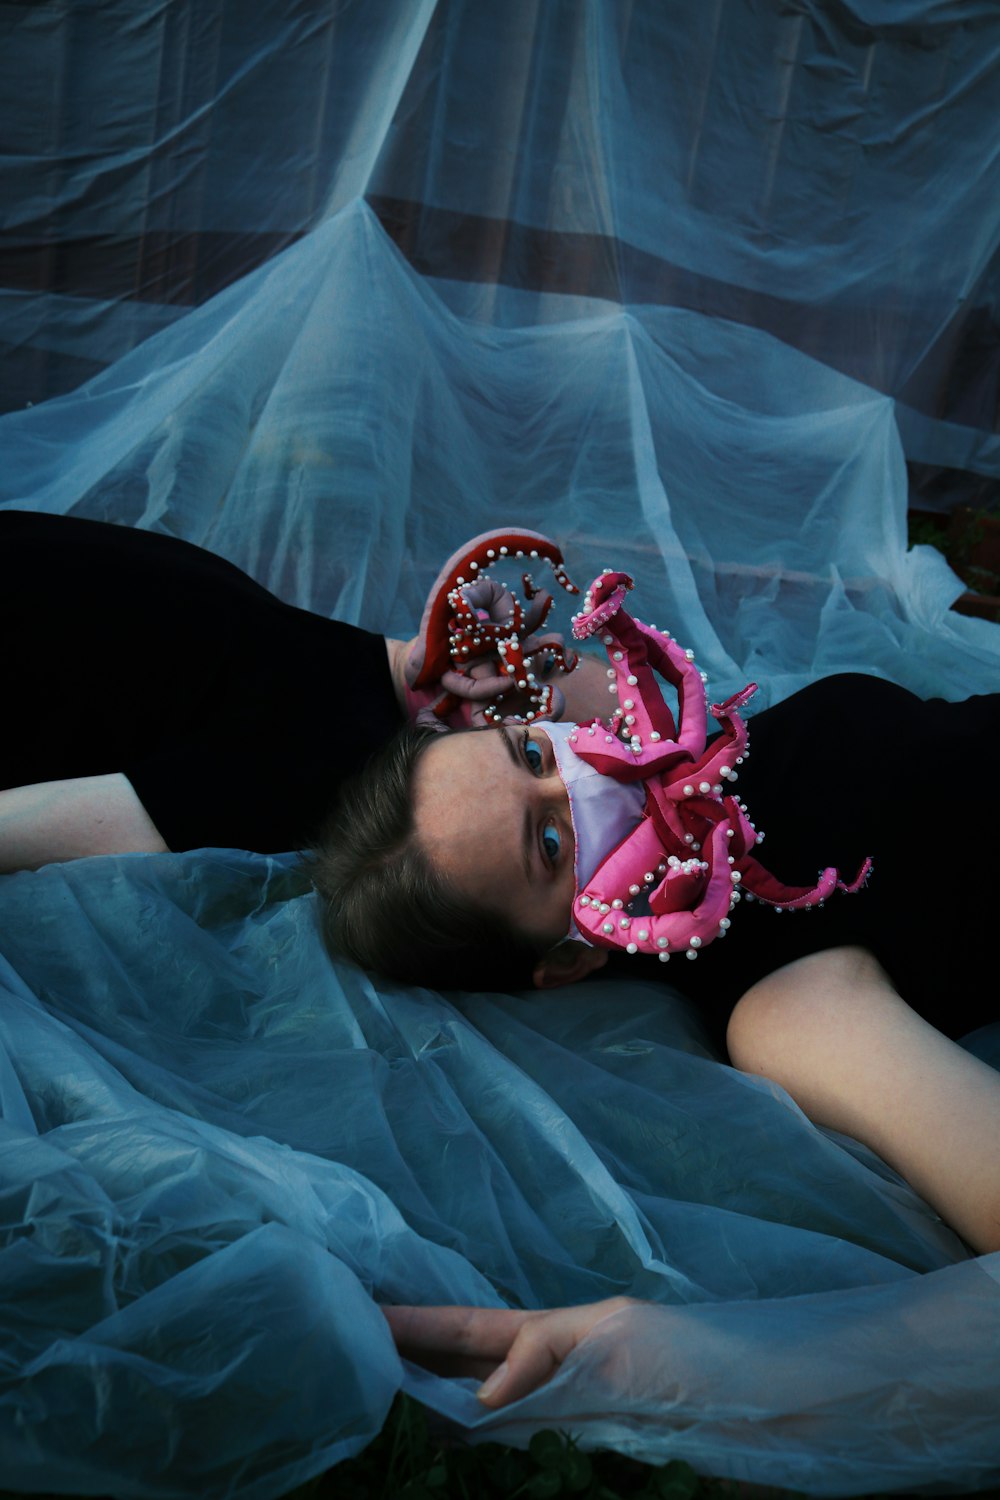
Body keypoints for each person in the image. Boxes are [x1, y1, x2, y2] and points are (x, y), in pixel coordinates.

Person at [313, 556, 1000, 1394]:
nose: (580, 775)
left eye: (529, 753)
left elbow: (587, 677)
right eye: (551, 843)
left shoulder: (685, 745)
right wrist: (719, 1368)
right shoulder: (787, 1003)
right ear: (569, 957)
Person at [0, 510, 610, 873]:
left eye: (533, 733)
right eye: (556, 658)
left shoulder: (311, 767)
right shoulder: (330, 671)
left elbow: (21, 827)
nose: (513, 660)